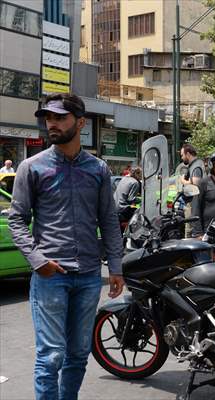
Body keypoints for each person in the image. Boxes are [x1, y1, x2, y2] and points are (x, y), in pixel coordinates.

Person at [8, 93, 124, 400]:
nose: (52, 124)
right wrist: (37, 260)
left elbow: (109, 220)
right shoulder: (31, 168)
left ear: (81, 123)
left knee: (78, 354)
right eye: (49, 118)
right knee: (51, 357)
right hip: (50, 276)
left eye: (60, 117)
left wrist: (115, 267)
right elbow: (16, 221)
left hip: (88, 276)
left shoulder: (98, 169)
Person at [180, 144, 204, 237]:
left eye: (182, 155)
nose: (182, 158)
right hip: (193, 204)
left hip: (193, 205)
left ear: (188, 154)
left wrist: (183, 181)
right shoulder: (195, 165)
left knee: (189, 231)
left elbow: (196, 183)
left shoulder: (196, 165)